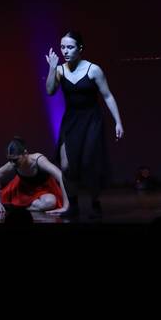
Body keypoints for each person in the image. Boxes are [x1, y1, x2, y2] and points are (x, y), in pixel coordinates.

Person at [45, 31, 123, 218]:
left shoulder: (93, 70)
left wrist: (118, 122)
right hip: (71, 121)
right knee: (66, 166)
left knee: (89, 164)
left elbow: (107, 95)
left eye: (70, 47)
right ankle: (73, 205)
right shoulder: (60, 70)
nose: (65, 51)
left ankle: (95, 203)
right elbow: (50, 91)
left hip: (91, 120)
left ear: (80, 48)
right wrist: (52, 68)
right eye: (63, 47)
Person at [0, 137, 68, 215]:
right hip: (24, 192)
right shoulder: (12, 164)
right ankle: (21, 207)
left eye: (15, 160)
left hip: (44, 190)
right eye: (9, 160)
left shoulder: (38, 160)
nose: (12, 164)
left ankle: (20, 207)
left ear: (25, 154)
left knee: (50, 202)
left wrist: (65, 207)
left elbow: (60, 176)